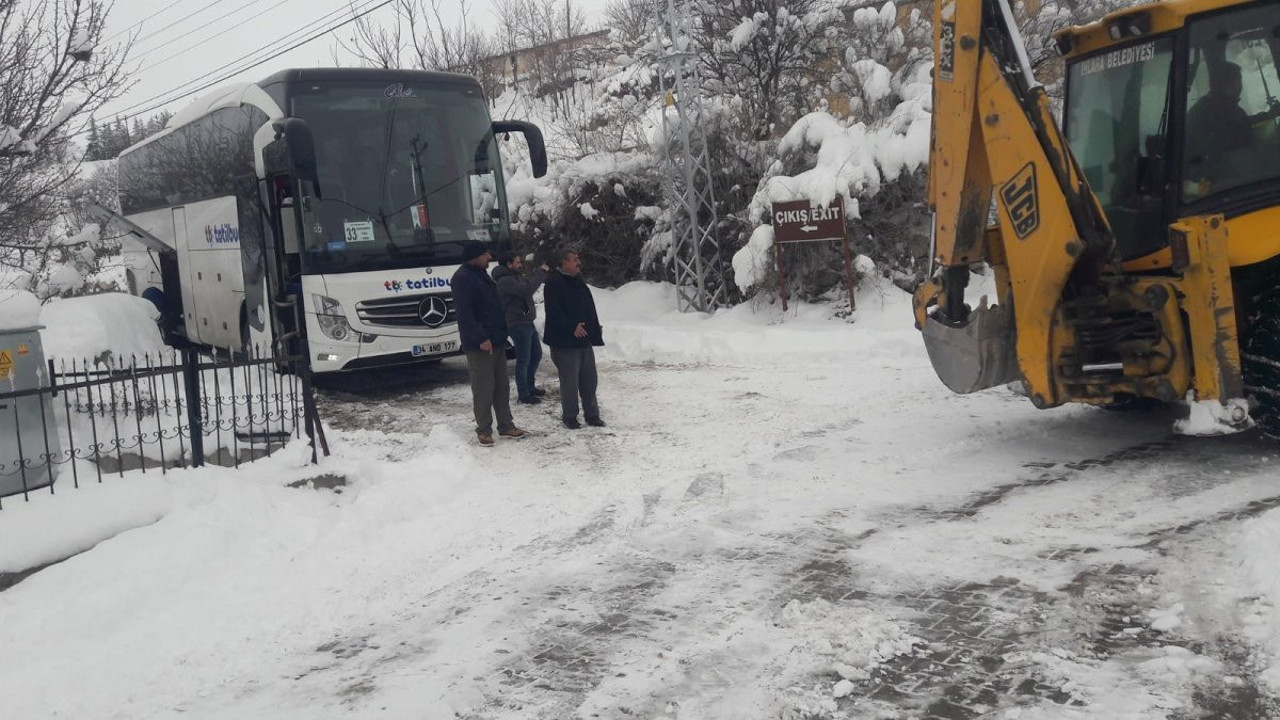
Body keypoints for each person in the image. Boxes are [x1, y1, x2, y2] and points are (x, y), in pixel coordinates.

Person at [451, 240, 527, 446]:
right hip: (480, 344)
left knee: (502, 386)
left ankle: (506, 425)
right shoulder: (462, 279)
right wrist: (480, 337)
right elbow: (465, 315)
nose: (489, 258)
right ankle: (484, 430)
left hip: (497, 340)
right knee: (484, 387)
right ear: (475, 256)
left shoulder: (480, 274)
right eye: (486, 255)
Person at [1185, 61, 1280, 193]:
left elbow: (1244, 123)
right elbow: (1239, 146)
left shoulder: (1207, 107)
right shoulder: (1223, 112)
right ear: (1228, 85)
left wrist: (1268, 115)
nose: (1240, 86)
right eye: (1238, 81)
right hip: (1229, 183)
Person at [543, 248, 605, 429]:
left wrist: (594, 327)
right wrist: (571, 327)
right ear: (564, 263)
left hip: (584, 339)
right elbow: (554, 312)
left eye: (578, 258)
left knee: (589, 380)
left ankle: (592, 415)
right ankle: (570, 417)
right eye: (574, 259)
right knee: (569, 382)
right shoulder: (553, 283)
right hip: (565, 342)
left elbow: (587, 306)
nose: (578, 262)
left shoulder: (578, 281)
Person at [492, 252, 549, 405]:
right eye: (517, 262)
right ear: (509, 264)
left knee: (536, 355)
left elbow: (526, 287)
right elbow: (526, 289)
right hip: (517, 324)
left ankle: (530, 387)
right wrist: (540, 272)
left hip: (526, 322)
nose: (520, 264)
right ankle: (524, 394)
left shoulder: (515, 277)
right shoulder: (505, 281)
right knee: (523, 360)